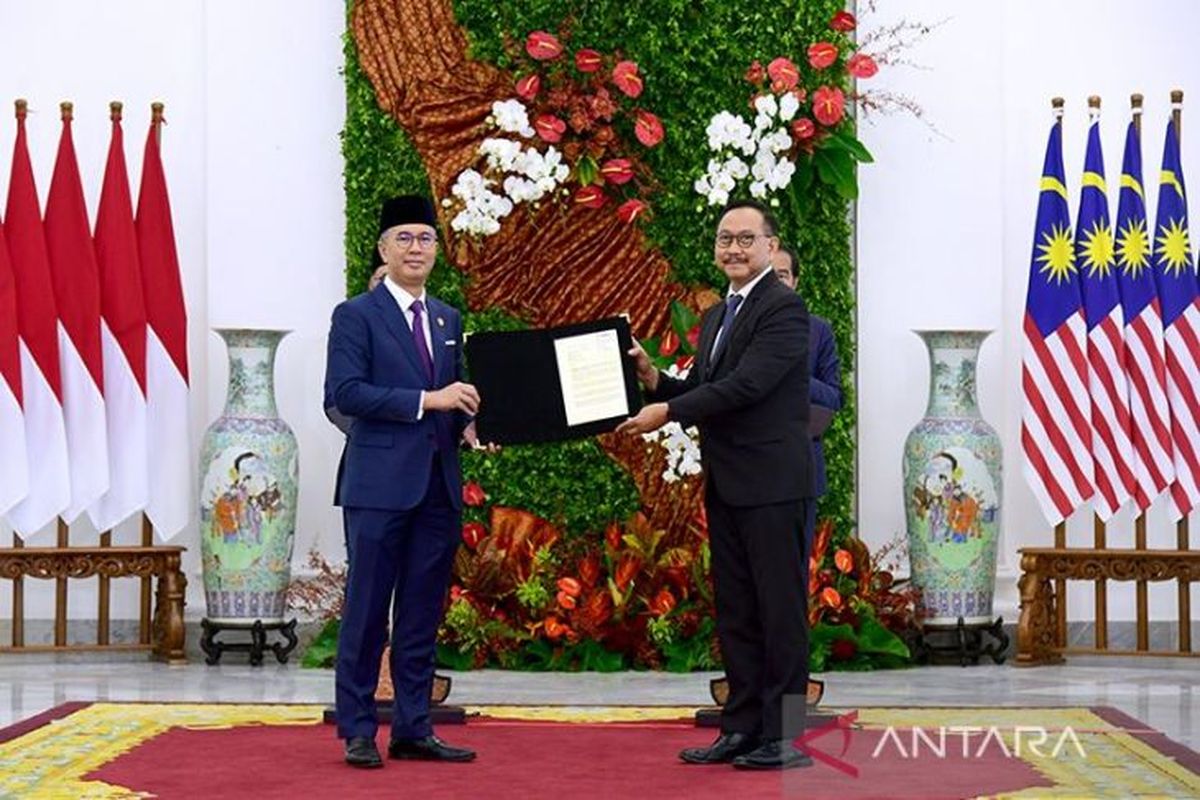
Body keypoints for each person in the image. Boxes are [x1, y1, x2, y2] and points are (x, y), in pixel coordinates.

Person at [618, 199, 814, 771]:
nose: (733, 248)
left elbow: (747, 387)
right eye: (725, 238)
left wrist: (668, 411)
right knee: (737, 611)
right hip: (729, 483)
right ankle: (742, 728)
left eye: (746, 239)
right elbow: (709, 384)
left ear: (770, 248)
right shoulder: (716, 315)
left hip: (774, 484)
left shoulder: (784, 308)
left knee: (781, 613)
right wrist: (657, 380)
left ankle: (786, 737)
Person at [324, 195, 484, 768]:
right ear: (383, 248)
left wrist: (469, 423)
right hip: (378, 487)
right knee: (367, 611)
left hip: (437, 487)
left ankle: (414, 726)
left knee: (420, 612)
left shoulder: (447, 317)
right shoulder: (356, 315)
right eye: (405, 238)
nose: (416, 248)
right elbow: (345, 394)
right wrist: (428, 400)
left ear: (437, 250)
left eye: (425, 239)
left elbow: (457, 394)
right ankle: (359, 728)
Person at [772, 243, 843, 551]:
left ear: (795, 282)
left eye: (782, 275)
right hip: (746, 472)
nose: (774, 283)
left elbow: (834, 398)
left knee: (794, 568)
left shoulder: (818, 331)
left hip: (800, 468)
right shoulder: (733, 327)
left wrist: (796, 374)